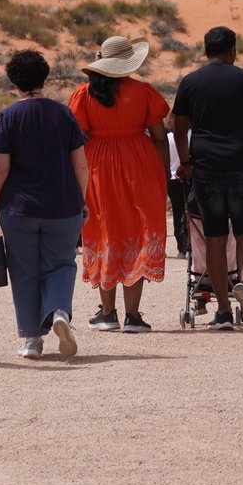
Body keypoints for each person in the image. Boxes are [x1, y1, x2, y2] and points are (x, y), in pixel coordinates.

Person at [0, 49, 87, 361]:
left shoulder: (8, 117)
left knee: (24, 270)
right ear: (45, 77)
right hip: (63, 205)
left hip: (19, 209)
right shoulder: (64, 114)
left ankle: (31, 340)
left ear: (14, 82)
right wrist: (81, 200)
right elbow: (81, 165)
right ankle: (59, 312)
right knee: (61, 263)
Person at [69, 35, 170, 333]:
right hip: (139, 163)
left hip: (98, 165)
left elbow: (76, 137)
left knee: (104, 229)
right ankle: (133, 316)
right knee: (138, 231)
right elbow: (160, 136)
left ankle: (107, 312)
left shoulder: (84, 94)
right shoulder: (144, 92)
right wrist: (164, 171)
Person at [172, 25, 243, 330]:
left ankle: (223, 311)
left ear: (206, 50)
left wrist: (185, 163)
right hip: (241, 166)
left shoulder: (190, 82)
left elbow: (179, 129)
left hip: (206, 168)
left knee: (215, 237)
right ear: (232, 50)